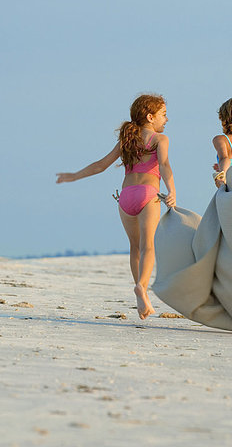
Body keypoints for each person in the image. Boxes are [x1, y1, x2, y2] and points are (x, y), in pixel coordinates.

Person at [56, 94, 176, 320]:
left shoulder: (127, 141)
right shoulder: (160, 139)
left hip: (126, 197)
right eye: (163, 115)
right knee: (149, 246)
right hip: (149, 194)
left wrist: (73, 176)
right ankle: (142, 287)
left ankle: (141, 297)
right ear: (150, 117)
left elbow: (100, 166)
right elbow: (164, 164)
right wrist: (172, 191)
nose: (166, 119)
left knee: (135, 247)